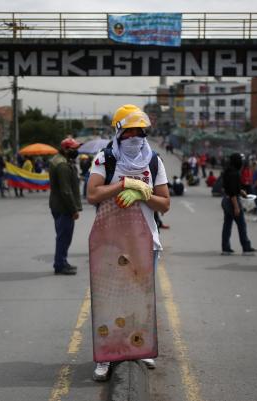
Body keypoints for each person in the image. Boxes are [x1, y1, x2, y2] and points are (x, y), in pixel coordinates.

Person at [87, 104, 170, 381]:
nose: (135, 136)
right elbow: (93, 194)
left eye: (140, 131)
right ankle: (106, 356)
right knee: (108, 300)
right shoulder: (105, 159)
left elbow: (165, 203)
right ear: (119, 131)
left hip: (145, 241)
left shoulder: (154, 161)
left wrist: (142, 194)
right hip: (109, 242)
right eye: (130, 131)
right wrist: (124, 185)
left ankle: (139, 347)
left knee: (140, 298)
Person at [49, 137, 83, 275]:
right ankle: (60, 265)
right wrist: (73, 209)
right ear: (65, 149)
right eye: (74, 149)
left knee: (62, 236)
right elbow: (66, 190)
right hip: (64, 207)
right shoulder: (62, 165)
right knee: (64, 237)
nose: (76, 151)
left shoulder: (60, 160)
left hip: (58, 205)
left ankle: (62, 262)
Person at [221, 153, 257, 256]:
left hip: (226, 200)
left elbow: (231, 187)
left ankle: (226, 248)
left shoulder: (227, 171)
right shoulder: (234, 173)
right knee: (241, 225)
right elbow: (232, 192)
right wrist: (236, 207)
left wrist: (241, 192)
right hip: (232, 201)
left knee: (227, 225)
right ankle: (246, 248)